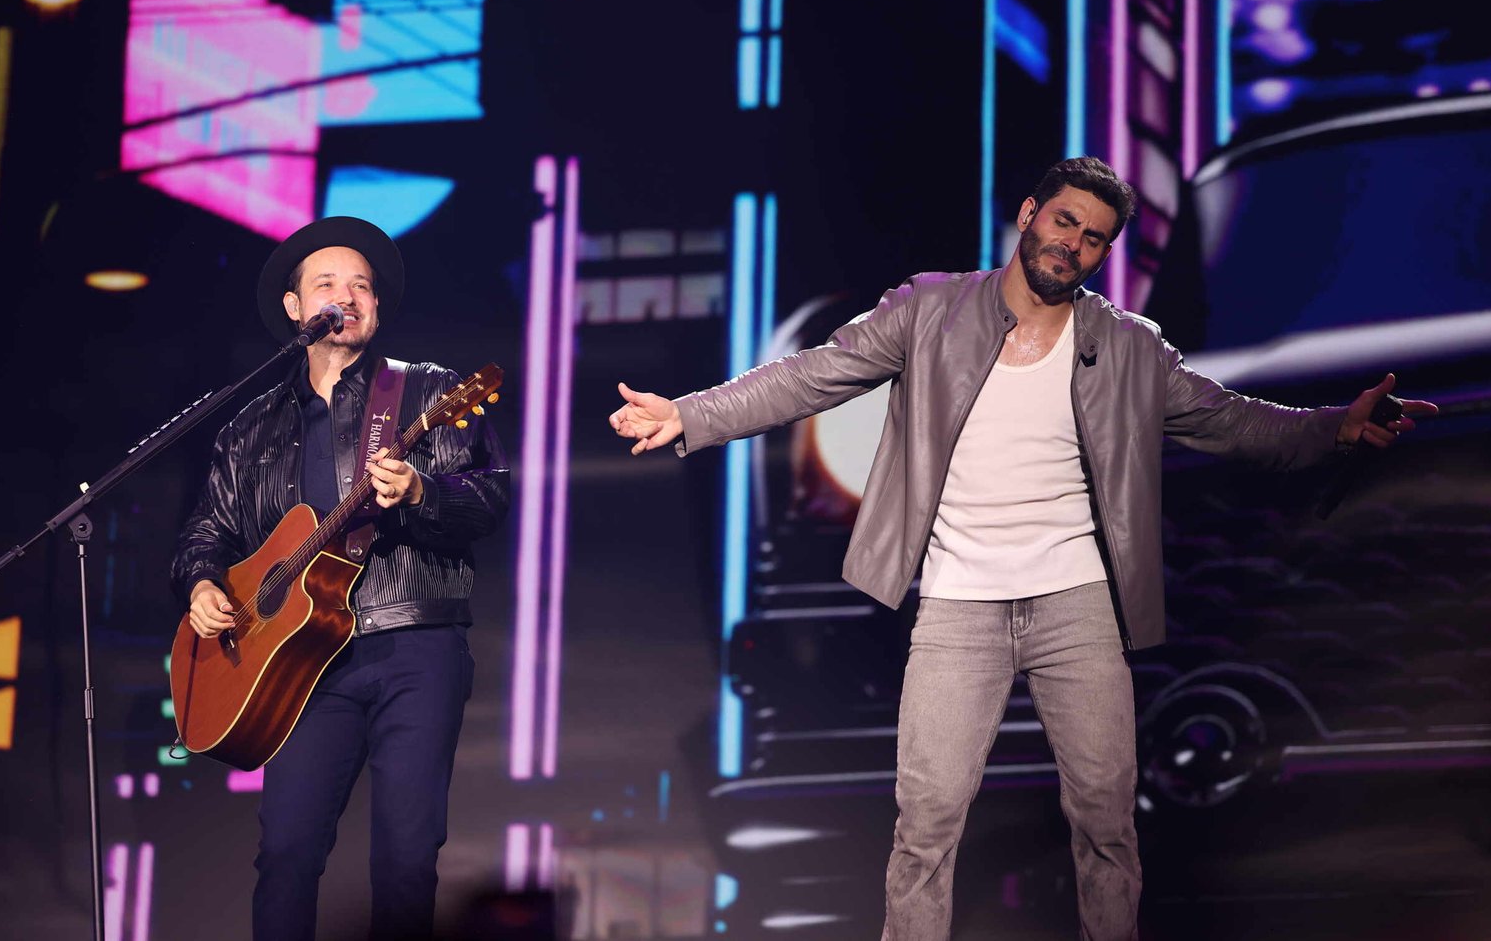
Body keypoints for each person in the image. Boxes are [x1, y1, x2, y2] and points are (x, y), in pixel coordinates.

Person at [607, 157, 1436, 941]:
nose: (1073, 244)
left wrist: (1337, 428)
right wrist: (690, 415)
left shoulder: (1129, 346)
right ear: (1029, 215)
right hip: (958, 607)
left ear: (1103, 255)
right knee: (926, 822)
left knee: (1107, 820)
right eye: (1064, 222)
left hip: (1078, 606)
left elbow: (1232, 422)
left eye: (1094, 238)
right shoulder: (928, 311)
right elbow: (811, 374)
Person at [172, 215, 509, 941]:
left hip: (414, 642)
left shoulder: (429, 391)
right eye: (327, 283)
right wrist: (202, 584)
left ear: (377, 307)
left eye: (361, 285)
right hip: (298, 664)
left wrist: (421, 493)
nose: (347, 296)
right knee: (286, 855)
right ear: (295, 307)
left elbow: (489, 498)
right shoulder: (251, 426)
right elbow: (208, 530)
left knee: (406, 859)